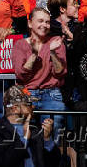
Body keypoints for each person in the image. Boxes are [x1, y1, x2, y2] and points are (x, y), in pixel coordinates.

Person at [12, 7, 67, 140]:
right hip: (26, 93)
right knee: (22, 136)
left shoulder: (56, 42)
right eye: (40, 21)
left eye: (47, 22)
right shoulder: (20, 44)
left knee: (52, 136)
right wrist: (39, 52)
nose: (45, 25)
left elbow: (60, 72)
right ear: (30, 23)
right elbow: (21, 75)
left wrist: (52, 52)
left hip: (52, 93)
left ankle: (50, 159)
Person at [0, 85, 61, 167]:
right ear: (14, 108)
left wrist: (47, 140)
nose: (33, 106)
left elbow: (54, 162)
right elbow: (5, 161)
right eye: (28, 104)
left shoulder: (34, 129)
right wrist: (24, 139)